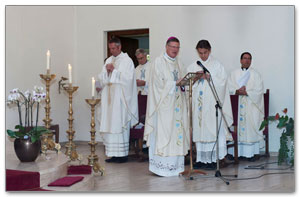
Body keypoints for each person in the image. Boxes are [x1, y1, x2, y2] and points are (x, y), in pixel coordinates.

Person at [144, 37, 189, 176]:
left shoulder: (179, 63)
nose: (175, 50)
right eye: (172, 47)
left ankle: (176, 167)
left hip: (177, 105)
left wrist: (183, 84)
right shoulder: (158, 62)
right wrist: (174, 83)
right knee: (165, 135)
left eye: (177, 47)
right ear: (166, 47)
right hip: (163, 106)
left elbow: (181, 82)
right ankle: (162, 168)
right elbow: (156, 84)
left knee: (177, 134)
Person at [186, 40, 233, 169]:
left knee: (211, 131)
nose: (203, 56)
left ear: (210, 50)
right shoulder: (193, 66)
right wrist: (195, 78)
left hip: (211, 106)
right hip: (199, 106)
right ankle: (201, 159)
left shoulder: (217, 65)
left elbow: (223, 83)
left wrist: (210, 77)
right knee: (200, 130)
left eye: (205, 53)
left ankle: (214, 159)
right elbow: (187, 85)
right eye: (200, 53)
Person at [97, 37, 138, 163]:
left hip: (120, 100)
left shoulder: (127, 61)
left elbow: (129, 79)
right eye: (110, 49)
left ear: (119, 47)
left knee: (119, 124)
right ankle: (112, 154)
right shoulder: (109, 60)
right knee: (110, 125)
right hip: (109, 99)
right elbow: (103, 77)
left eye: (114, 48)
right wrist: (107, 73)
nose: (112, 51)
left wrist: (114, 71)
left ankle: (122, 155)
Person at [227, 52, 264, 161]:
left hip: (250, 107)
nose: (247, 60)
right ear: (240, 60)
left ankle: (251, 154)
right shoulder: (233, 74)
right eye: (244, 58)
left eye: (249, 59)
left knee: (250, 127)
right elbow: (228, 87)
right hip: (236, 106)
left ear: (251, 61)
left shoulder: (256, 75)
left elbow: (259, 91)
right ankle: (234, 153)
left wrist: (247, 92)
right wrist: (237, 91)